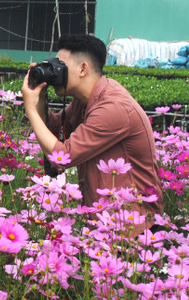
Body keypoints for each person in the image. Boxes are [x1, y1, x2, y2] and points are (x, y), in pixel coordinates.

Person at [21, 34, 163, 221]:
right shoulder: (88, 99)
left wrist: (30, 108)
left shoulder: (113, 107)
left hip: (134, 228)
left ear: (82, 69)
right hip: (108, 224)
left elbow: (62, 157)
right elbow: (55, 133)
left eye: (60, 66)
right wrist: (38, 97)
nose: (55, 72)